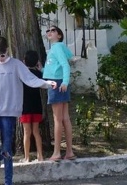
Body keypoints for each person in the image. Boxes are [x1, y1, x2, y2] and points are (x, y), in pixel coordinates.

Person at [0, 37, 56, 184]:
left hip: (10, 113)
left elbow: (30, 79)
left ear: (7, 51)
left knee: (7, 149)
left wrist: (46, 83)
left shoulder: (17, 65)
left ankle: (8, 181)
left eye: (1, 55)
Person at [43, 25, 75, 161]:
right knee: (65, 118)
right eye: (48, 31)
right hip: (60, 82)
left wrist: (65, 82)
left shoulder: (56, 48)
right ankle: (69, 152)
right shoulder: (58, 48)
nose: (49, 32)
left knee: (58, 119)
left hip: (57, 84)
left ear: (59, 35)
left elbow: (65, 64)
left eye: (53, 30)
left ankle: (57, 152)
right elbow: (56, 66)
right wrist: (42, 69)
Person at [20, 50, 44, 162]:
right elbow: (45, 81)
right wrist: (40, 69)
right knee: (36, 131)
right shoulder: (39, 74)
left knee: (26, 132)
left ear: (24, 61)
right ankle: (40, 155)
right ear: (37, 62)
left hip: (24, 106)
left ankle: (27, 157)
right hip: (37, 106)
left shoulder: (22, 75)